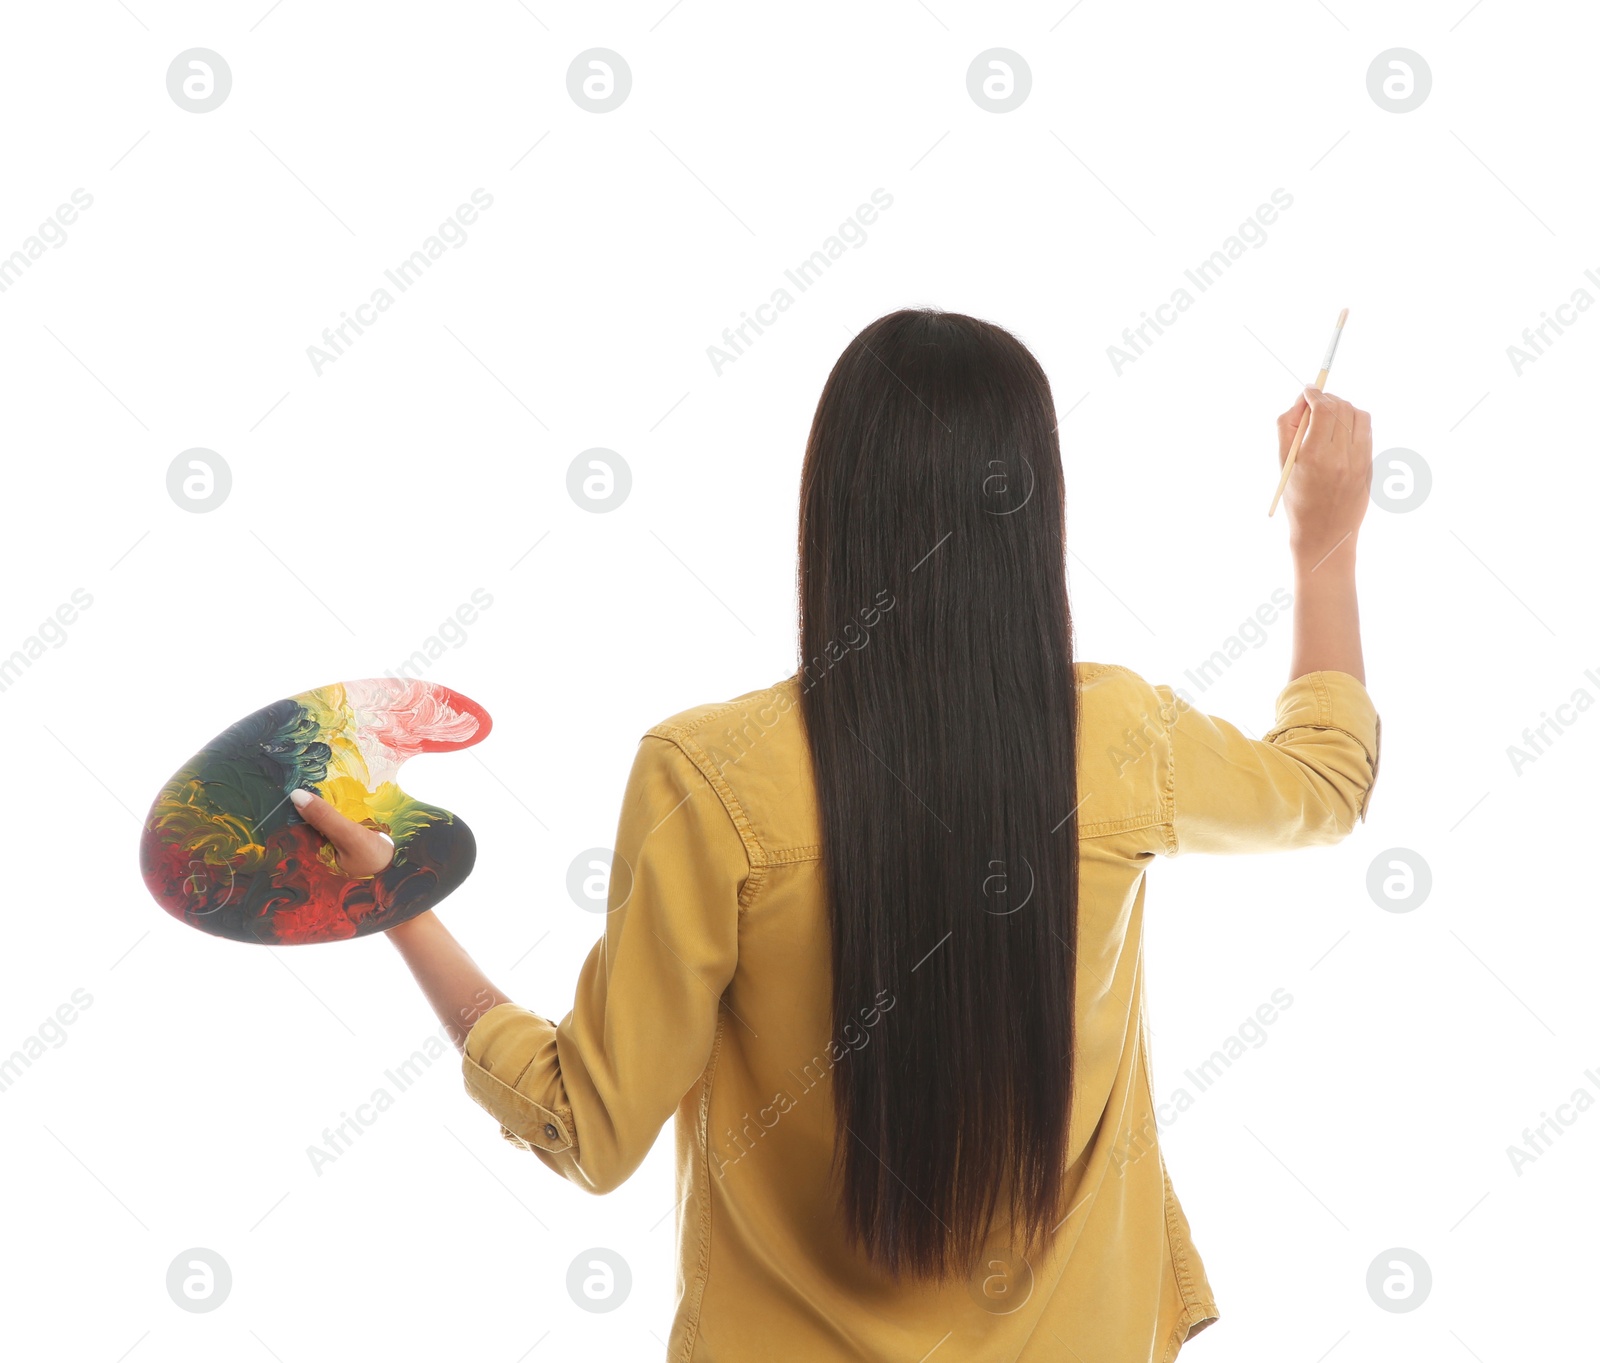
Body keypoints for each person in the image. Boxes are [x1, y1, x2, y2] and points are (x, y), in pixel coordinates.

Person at [291, 308, 1379, 1361]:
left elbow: (588, 1125)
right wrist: (1321, 543)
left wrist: (403, 904)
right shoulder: (1119, 739)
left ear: (832, 506)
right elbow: (1326, 783)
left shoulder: (709, 774)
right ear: (1034, 509)